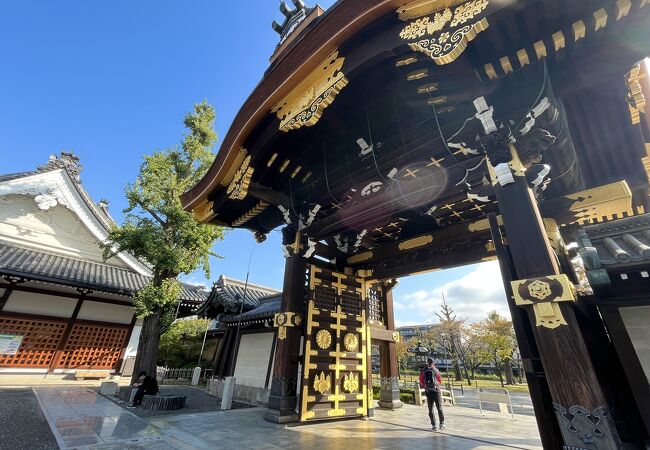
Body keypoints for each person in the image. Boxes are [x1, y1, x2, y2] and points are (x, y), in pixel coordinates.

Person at [419, 358, 445, 431]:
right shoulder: (436, 370)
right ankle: (441, 424)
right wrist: (436, 385)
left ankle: (434, 425)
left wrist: (425, 385)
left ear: (427, 363)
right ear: (433, 363)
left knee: (430, 409)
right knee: (439, 407)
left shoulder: (423, 371)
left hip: (428, 391)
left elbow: (421, 381)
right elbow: (440, 381)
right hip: (436, 391)